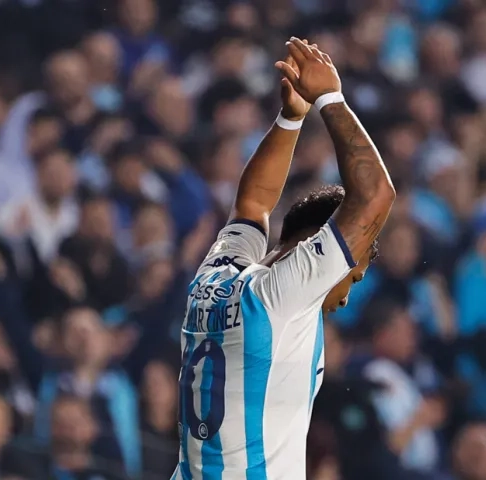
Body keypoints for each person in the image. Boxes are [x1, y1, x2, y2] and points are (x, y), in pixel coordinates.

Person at [173, 38, 395, 479]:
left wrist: (291, 117)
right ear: (314, 247)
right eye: (352, 277)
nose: (347, 296)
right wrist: (330, 97)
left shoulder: (215, 275)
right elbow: (375, 197)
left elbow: (253, 202)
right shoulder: (280, 300)